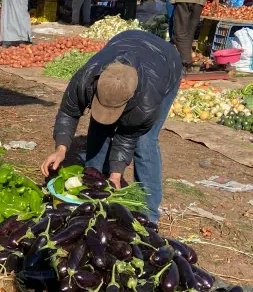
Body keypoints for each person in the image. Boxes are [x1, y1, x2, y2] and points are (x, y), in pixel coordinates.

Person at [41, 30, 182, 222]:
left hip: (165, 62)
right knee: (100, 126)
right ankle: (93, 185)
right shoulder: (86, 78)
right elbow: (68, 112)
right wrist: (61, 149)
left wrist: (116, 174)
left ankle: (149, 215)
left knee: (145, 141)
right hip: (126, 40)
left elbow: (128, 136)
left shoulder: (146, 103)